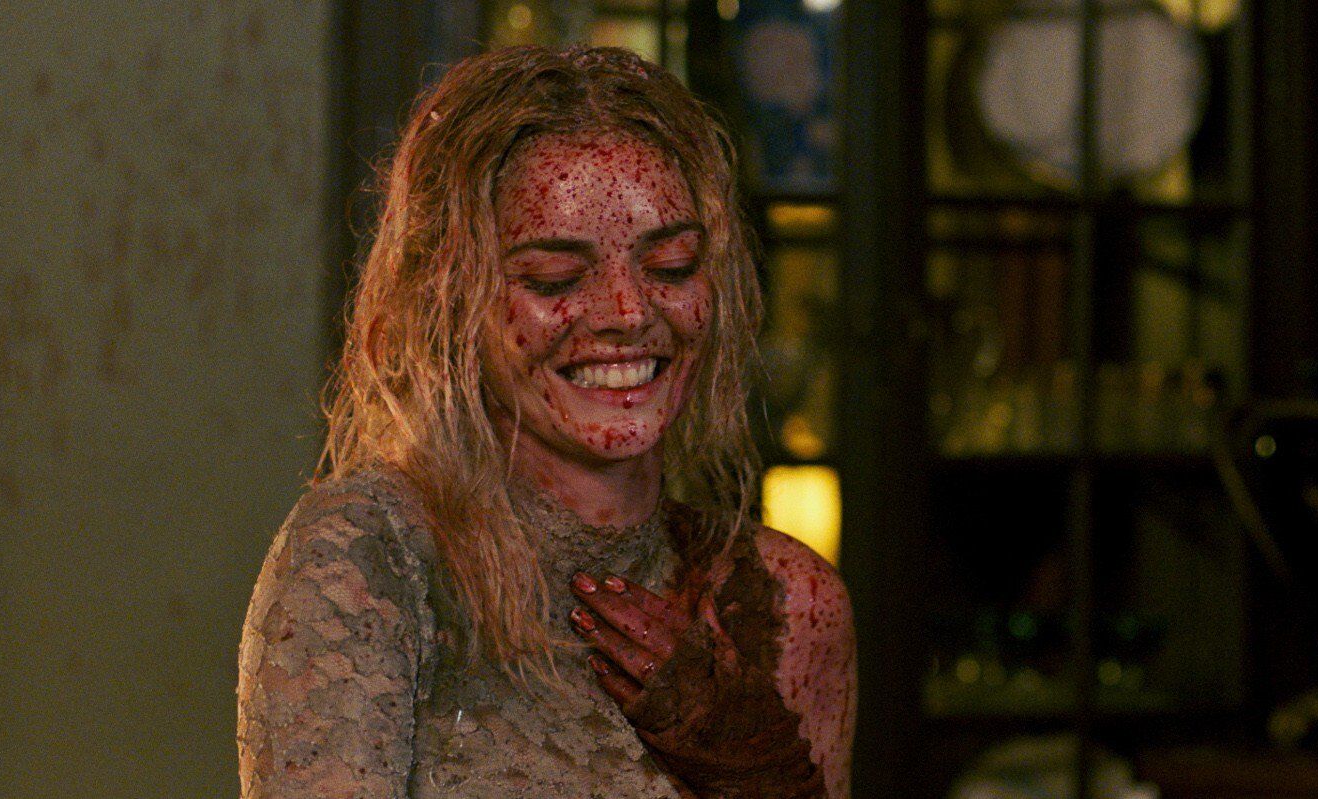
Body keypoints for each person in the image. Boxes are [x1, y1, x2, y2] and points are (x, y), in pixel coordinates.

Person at [236, 45, 855, 799]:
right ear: (449, 299)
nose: (627, 313)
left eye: (671, 265)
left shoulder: (787, 598)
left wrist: (766, 777)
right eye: (554, 278)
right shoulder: (373, 554)